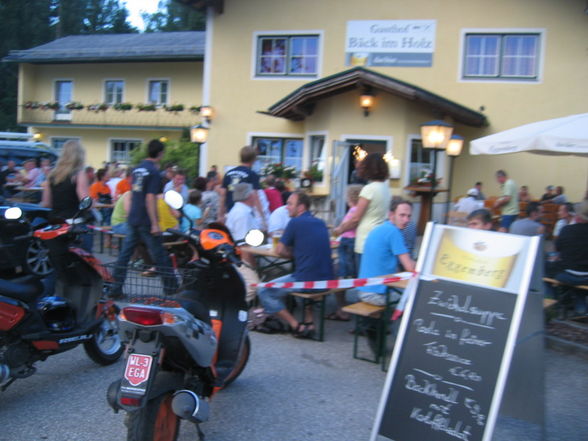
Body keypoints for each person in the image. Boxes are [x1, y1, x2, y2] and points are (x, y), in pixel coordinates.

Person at [258, 191, 334, 339]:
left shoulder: (295, 222)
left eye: (290, 204)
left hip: (306, 280)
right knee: (305, 271)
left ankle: (296, 326)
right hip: (327, 279)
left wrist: (292, 254)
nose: (286, 207)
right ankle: (309, 322)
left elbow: (280, 250)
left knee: (264, 291)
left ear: (301, 207)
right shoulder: (321, 222)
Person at [110, 139, 177, 298]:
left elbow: (135, 193)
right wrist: (154, 223)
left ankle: (115, 289)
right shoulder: (154, 172)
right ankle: (172, 289)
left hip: (133, 217)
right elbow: (150, 198)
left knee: (125, 255)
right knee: (160, 254)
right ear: (160, 154)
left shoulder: (137, 169)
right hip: (146, 219)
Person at [333, 152, 390, 269]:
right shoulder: (386, 189)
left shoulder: (368, 189)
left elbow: (355, 218)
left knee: (363, 278)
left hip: (365, 240)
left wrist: (340, 230)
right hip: (379, 236)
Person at [357, 199, 416, 306]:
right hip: (376, 294)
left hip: (364, 289)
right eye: (402, 215)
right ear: (391, 214)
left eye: (409, 216)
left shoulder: (381, 228)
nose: (406, 220)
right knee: (416, 297)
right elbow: (410, 267)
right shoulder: (394, 232)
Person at [40, 140, 92, 251]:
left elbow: (46, 203)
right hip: (74, 224)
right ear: (80, 155)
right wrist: (94, 202)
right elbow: (85, 202)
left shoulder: (52, 175)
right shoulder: (78, 174)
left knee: (59, 260)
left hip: (55, 224)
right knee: (84, 261)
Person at [328, 184, 363, 321]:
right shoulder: (359, 210)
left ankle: (341, 307)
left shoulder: (353, 211)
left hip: (348, 243)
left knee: (340, 271)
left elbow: (347, 227)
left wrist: (337, 230)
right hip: (350, 242)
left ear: (350, 197)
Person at [549, 200, 588, 314]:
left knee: (543, 268)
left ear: (577, 216)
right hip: (587, 277)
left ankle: (555, 303)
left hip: (567, 274)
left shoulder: (566, 230)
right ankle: (579, 303)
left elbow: (557, 249)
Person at [221, 146, 264, 226]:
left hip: (230, 213)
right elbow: (256, 197)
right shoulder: (252, 174)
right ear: (253, 159)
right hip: (244, 214)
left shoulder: (228, 173)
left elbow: (223, 195)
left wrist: (220, 215)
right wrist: (263, 218)